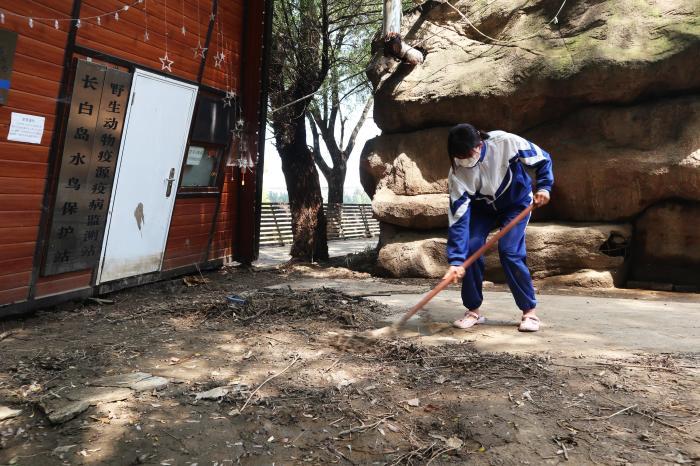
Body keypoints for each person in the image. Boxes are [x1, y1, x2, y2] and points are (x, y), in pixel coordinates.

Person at [443, 124, 553, 332]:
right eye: (459, 156)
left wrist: (545, 187)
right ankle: (473, 310)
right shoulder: (456, 172)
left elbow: (543, 158)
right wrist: (456, 260)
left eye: (468, 154)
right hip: (481, 208)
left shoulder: (505, 142)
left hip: (516, 203)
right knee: (470, 250)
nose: (465, 160)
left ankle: (529, 312)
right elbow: (458, 217)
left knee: (510, 251)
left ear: (479, 144)